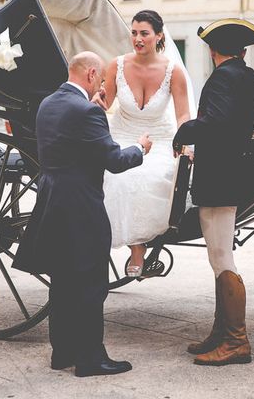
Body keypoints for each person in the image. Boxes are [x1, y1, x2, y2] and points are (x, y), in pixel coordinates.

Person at [12, 51, 152, 377]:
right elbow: (114, 160)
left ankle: (62, 352)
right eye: (100, 80)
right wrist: (140, 148)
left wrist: (95, 112)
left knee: (61, 282)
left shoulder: (48, 104)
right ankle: (91, 358)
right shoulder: (87, 111)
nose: (101, 87)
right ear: (91, 74)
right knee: (91, 284)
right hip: (81, 207)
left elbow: (69, 144)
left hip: (51, 202)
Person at [172, 19, 254, 366]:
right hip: (226, 172)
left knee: (222, 256)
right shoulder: (245, 74)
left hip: (220, 175)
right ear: (241, 51)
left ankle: (237, 341)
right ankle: (221, 333)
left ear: (213, 50)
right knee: (217, 256)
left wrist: (184, 132)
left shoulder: (226, 76)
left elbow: (216, 123)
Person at [92, 10, 192, 277]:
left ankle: (140, 248)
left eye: (144, 33)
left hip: (160, 140)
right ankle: (135, 247)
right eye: (134, 32)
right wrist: (97, 101)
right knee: (116, 177)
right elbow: (107, 103)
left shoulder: (174, 71)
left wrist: (185, 143)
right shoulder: (117, 65)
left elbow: (183, 114)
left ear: (158, 35)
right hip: (122, 135)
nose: (137, 38)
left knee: (152, 176)